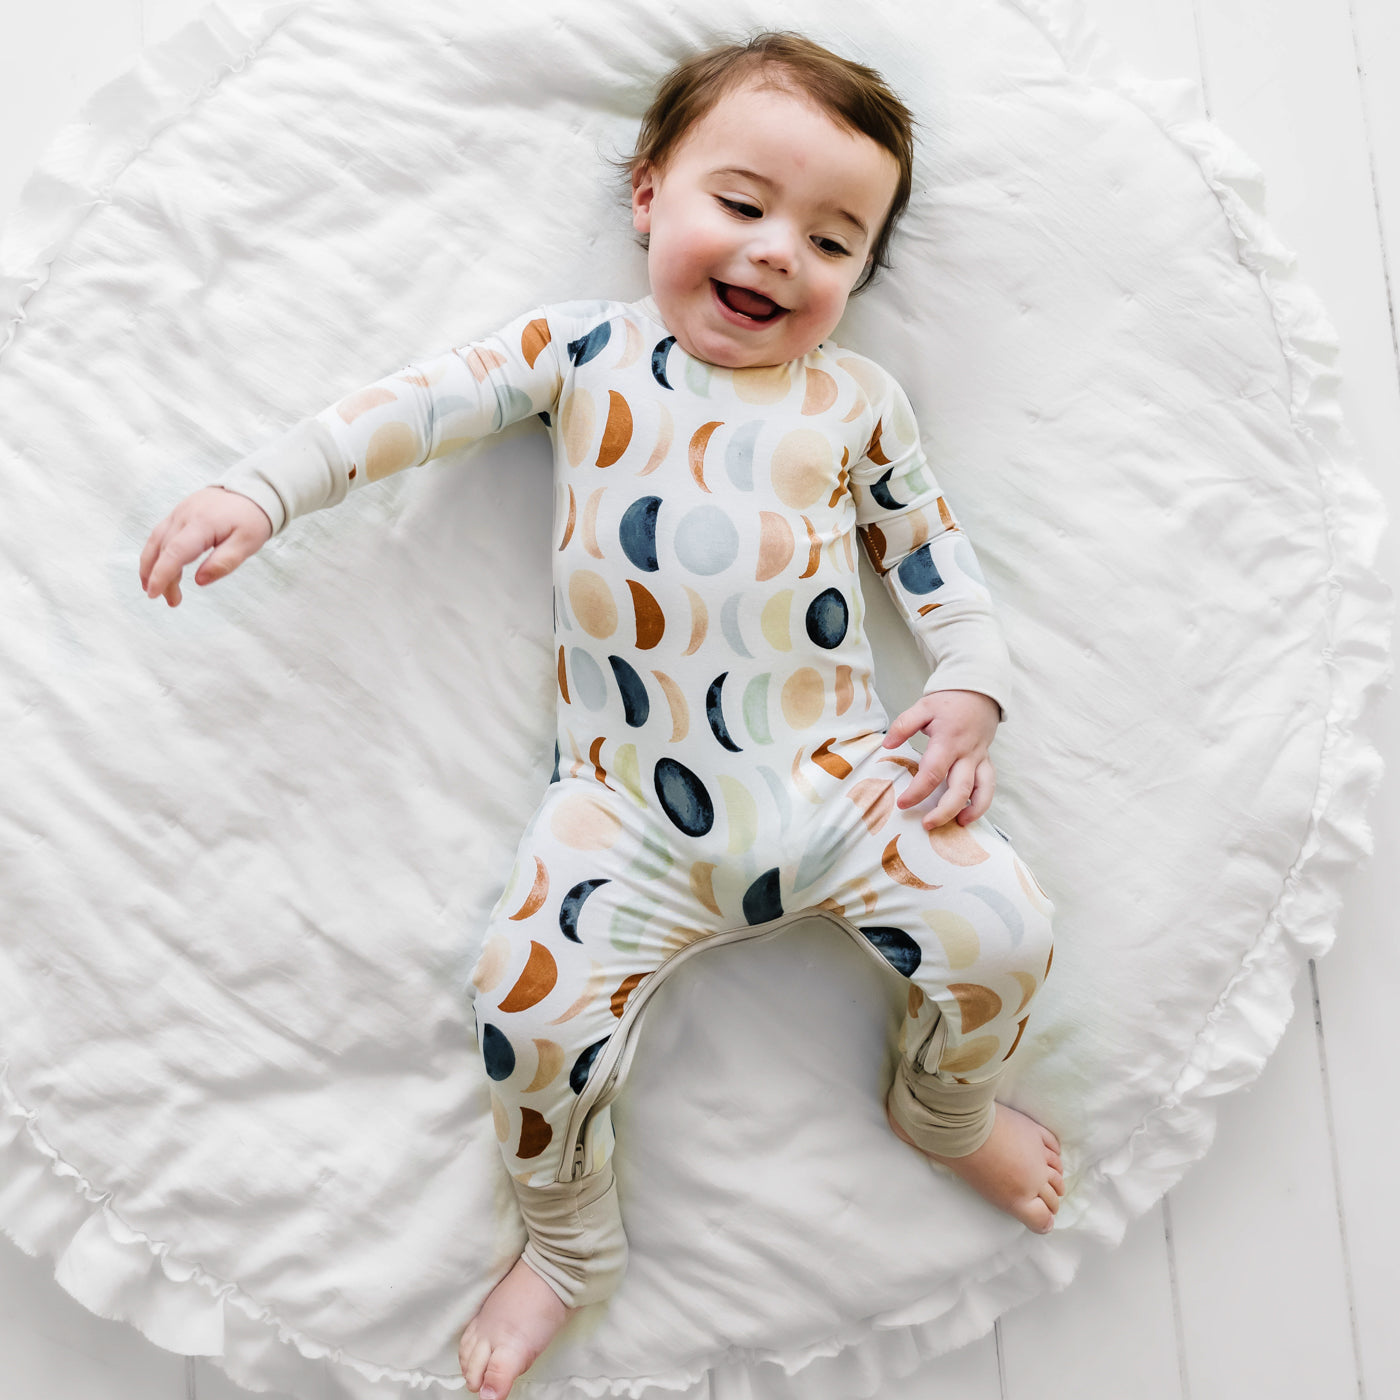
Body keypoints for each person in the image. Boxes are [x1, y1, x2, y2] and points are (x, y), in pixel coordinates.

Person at [138, 31, 1062, 1400]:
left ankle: (944, 1102)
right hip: (625, 815)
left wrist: (972, 684)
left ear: (862, 274)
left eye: (831, 240)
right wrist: (263, 491)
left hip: (841, 786)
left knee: (1009, 932)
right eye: (739, 205)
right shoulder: (581, 352)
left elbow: (930, 553)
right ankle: (567, 1243)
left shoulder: (855, 399)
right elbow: (412, 407)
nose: (774, 257)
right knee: (528, 1016)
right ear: (648, 195)